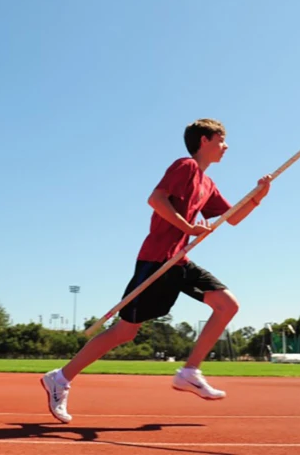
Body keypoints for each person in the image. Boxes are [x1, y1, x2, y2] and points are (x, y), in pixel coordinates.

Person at [41, 119, 272, 423]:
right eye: (221, 139)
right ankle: (60, 378)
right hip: (157, 260)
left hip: (180, 261)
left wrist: (258, 195)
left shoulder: (207, 183)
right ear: (204, 140)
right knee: (124, 332)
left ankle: (189, 371)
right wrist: (189, 227)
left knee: (227, 304)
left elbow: (232, 217)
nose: (226, 146)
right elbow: (156, 199)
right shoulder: (186, 166)